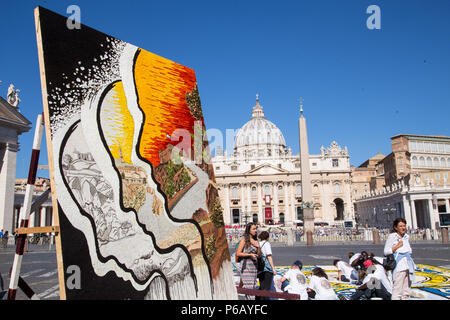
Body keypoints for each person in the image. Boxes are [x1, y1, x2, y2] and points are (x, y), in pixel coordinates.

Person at [384, 218, 415, 300]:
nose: (403, 228)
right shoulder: (392, 237)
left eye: (404, 226)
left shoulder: (406, 237)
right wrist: (397, 246)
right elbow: (386, 252)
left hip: (408, 266)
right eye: (400, 226)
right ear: (395, 227)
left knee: (406, 291)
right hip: (399, 266)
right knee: (397, 290)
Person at [236, 222, 261, 299]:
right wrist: (249, 255)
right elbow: (238, 253)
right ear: (248, 230)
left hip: (254, 267)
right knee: (249, 288)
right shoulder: (244, 240)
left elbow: (259, 255)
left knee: (252, 287)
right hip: (246, 266)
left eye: (256, 228)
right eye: (253, 229)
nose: (255, 230)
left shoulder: (256, 241)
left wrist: (259, 247)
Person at [257, 231, 276, 300]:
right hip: (266, 268)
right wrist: (273, 268)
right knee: (266, 289)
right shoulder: (266, 244)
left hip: (260, 268)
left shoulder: (258, 244)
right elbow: (269, 256)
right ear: (267, 237)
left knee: (262, 287)